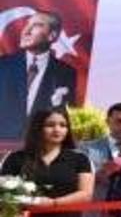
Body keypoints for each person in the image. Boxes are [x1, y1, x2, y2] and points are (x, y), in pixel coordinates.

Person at [0, 11, 79, 141]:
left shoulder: (66, 73)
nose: (26, 31)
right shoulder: (3, 66)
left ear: (52, 36)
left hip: (40, 144)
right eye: (27, 25)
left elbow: (64, 116)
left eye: (36, 25)